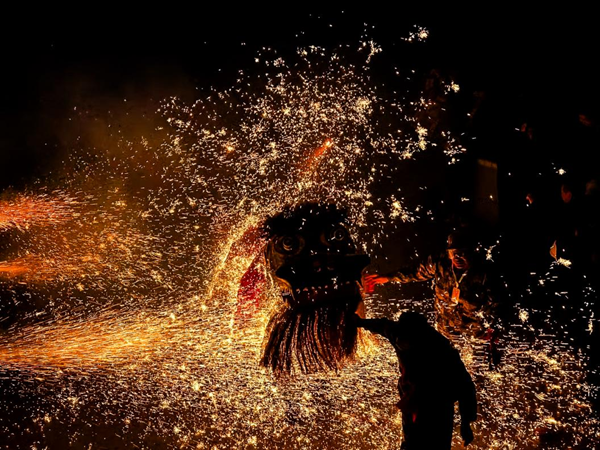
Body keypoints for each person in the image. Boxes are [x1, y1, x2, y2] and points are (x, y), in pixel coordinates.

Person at [363, 230, 506, 366]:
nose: (457, 258)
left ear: (472, 252)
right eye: (453, 254)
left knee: (476, 370)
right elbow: (415, 271)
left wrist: (493, 332)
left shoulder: (485, 273)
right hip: (447, 329)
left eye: (462, 253)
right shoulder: (440, 263)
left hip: (475, 332)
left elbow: (498, 305)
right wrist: (388, 277)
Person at [355, 311, 477, 450]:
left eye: (406, 340)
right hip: (412, 398)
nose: (400, 343)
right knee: (411, 442)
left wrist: (466, 423)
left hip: (438, 404)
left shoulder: (441, 350)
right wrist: (360, 322)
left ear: (418, 337)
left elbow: (466, 387)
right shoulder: (397, 333)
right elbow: (382, 325)